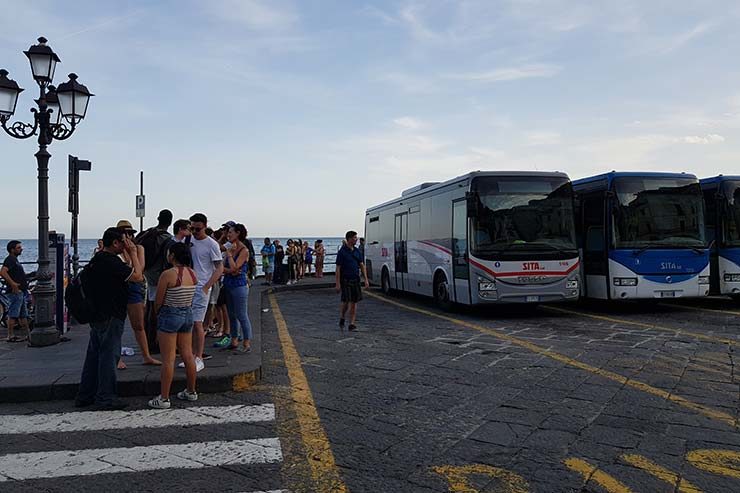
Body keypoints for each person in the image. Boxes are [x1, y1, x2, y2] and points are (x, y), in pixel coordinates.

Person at [75, 227, 144, 410]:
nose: (125, 244)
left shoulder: (96, 259)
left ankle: (86, 394)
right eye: (123, 241)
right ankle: (106, 396)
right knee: (109, 356)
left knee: (94, 355)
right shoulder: (112, 262)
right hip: (111, 314)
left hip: (97, 314)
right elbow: (137, 276)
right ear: (115, 243)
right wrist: (134, 253)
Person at [148, 243, 199, 409]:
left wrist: (157, 315)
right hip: (187, 314)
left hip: (170, 314)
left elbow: (159, 301)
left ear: (172, 256)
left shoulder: (168, 274)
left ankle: (164, 398)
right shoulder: (193, 274)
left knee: (168, 359)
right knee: (188, 355)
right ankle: (191, 391)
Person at [116, 220, 160, 369]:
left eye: (130, 233)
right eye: (124, 233)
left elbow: (139, 270)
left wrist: (131, 253)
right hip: (120, 287)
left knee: (139, 325)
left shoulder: (138, 248)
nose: (127, 236)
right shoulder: (116, 250)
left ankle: (146, 355)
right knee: (117, 324)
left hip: (134, 287)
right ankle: (116, 358)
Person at [183, 213, 223, 372]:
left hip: (201, 286)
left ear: (205, 226)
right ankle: (191, 354)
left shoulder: (211, 244)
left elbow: (219, 267)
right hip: (188, 285)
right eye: (191, 228)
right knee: (188, 322)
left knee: (197, 322)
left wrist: (207, 286)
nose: (194, 231)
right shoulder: (189, 240)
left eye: (197, 229)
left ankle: (198, 356)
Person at [135, 209, 173, 354]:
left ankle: (148, 339)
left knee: (150, 306)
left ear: (158, 218)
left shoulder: (148, 233)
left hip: (147, 273)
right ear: (170, 222)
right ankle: (156, 340)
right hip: (160, 276)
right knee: (158, 308)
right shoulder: (167, 238)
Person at [222, 224, 253, 352]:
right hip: (228, 283)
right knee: (231, 314)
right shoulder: (229, 245)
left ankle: (246, 343)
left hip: (239, 285)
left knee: (241, 314)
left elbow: (235, 268)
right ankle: (234, 340)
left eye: (230, 232)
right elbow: (229, 269)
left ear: (238, 233)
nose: (228, 234)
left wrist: (229, 255)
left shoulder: (243, 250)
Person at [335, 230, 369, 332]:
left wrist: (366, 279)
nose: (356, 239)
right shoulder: (342, 252)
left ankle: (352, 324)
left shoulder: (357, 251)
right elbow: (338, 268)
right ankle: (342, 316)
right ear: (349, 239)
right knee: (346, 302)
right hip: (345, 280)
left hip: (355, 279)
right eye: (354, 237)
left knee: (354, 302)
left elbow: (362, 265)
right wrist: (337, 283)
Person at [1, 241, 30, 342]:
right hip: (15, 292)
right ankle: (10, 335)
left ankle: (28, 334)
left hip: (21, 291)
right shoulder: (10, 260)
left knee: (23, 314)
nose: (21, 249)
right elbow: (3, 272)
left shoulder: (15, 260)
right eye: (18, 248)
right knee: (13, 313)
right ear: (12, 250)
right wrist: (13, 283)